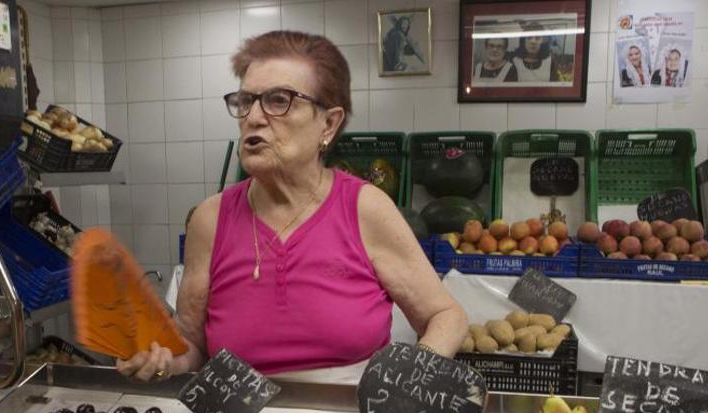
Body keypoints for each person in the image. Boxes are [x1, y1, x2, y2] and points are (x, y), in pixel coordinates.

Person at [118, 31, 468, 382]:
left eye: (279, 100)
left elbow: (445, 316)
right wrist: (164, 359)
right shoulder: (210, 219)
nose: (253, 117)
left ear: (328, 124)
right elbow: (191, 344)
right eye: (246, 101)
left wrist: (412, 376)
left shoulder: (365, 209)